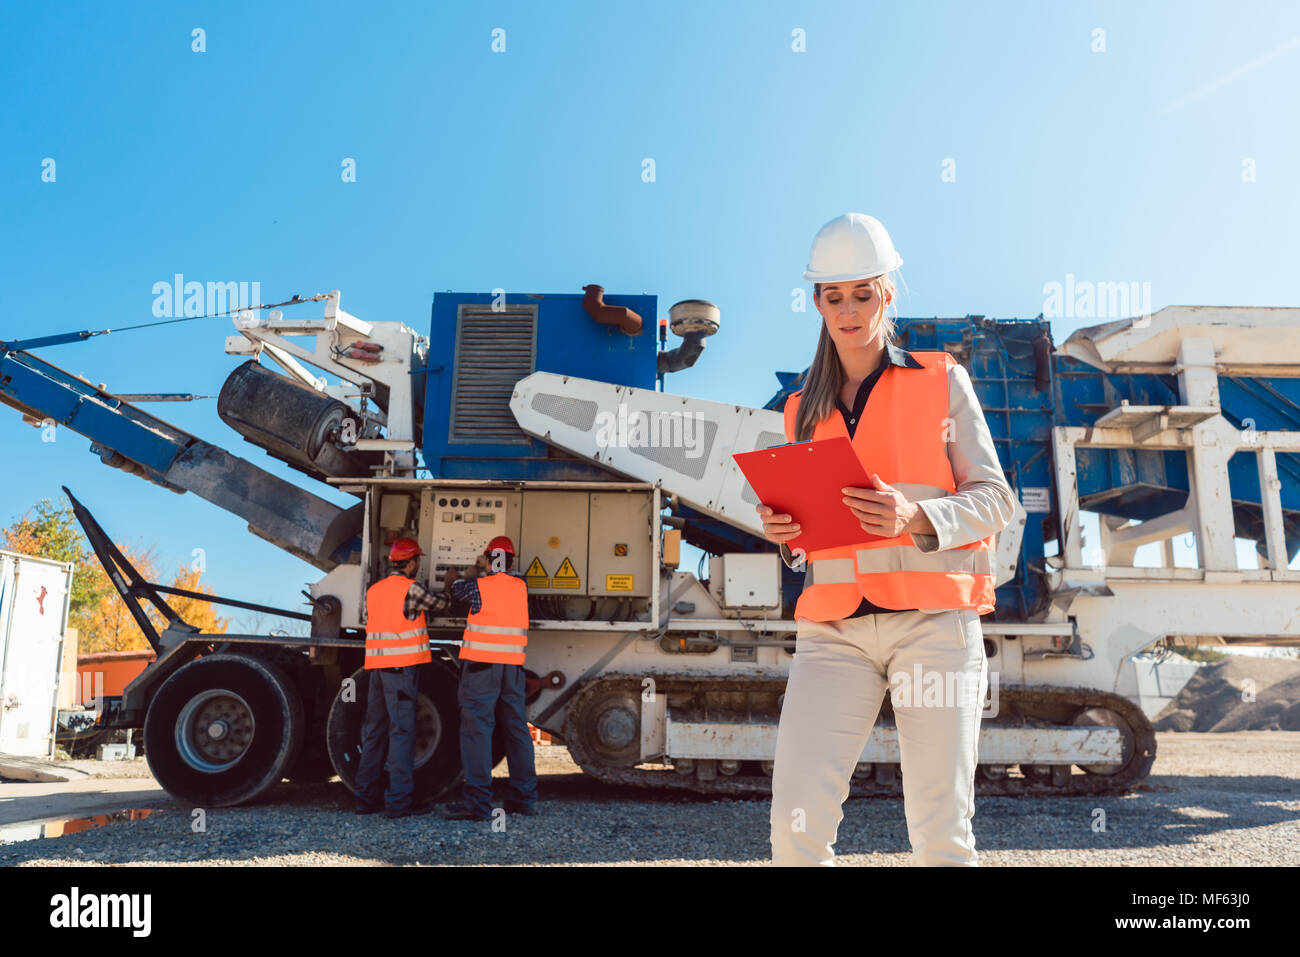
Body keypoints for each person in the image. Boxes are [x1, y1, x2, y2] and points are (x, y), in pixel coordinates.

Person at [757, 212, 1016, 866]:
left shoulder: (940, 381)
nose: (849, 311)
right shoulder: (799, 409)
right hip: (833, 632)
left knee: (940, 833)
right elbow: (814, 535)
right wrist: (787, 532)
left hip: (933, 624)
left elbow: (996, 500)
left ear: (888, 293)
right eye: (834, 296)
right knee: (795, 830)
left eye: (863, 294)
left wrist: (914, 514)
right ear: (816, 300)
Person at [440, 535, 539, 821]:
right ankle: (524, 799)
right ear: (510, 560)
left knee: (477, 730)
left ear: (487, 559)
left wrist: (468, 572)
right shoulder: (521, 585)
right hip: (513, 669)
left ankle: (478, 803)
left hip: (482, 667)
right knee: (517, 730)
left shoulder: (477, 586)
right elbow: (507, 580)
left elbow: (454, 590)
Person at [354, 537, 438, 819]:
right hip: (401, 670)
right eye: (418, 561)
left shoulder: (374, 591)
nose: (418, 565)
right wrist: (453, 582)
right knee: (402, 732)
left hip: (377, 669)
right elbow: (439, 604)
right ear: (411, 562)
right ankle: (399, 802)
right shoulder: (412, 589)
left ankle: (365, 799)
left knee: (375, 731)